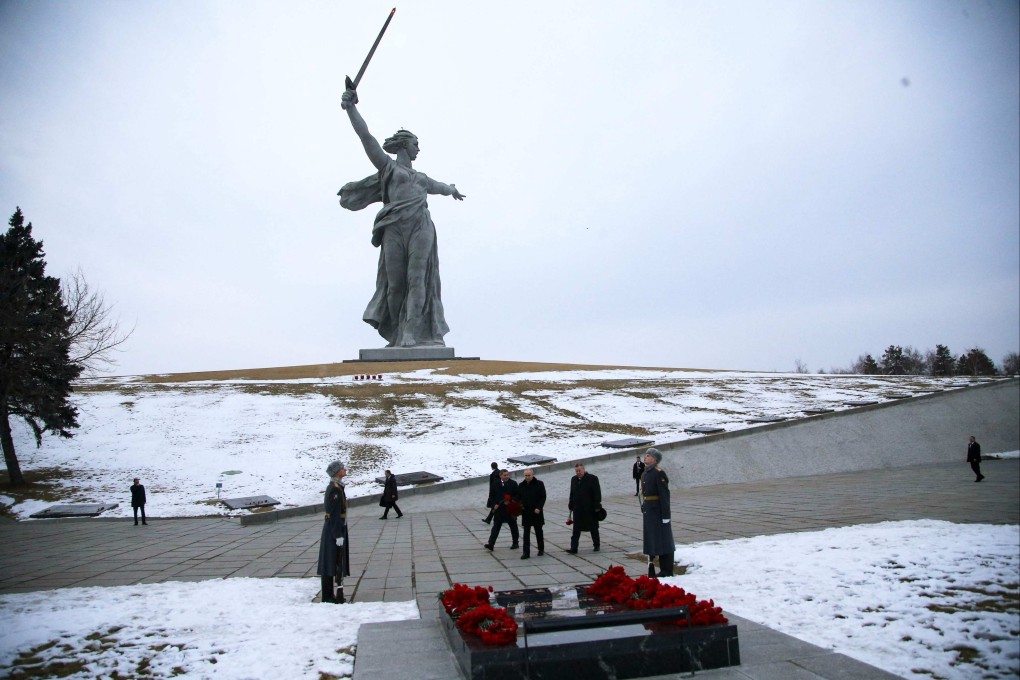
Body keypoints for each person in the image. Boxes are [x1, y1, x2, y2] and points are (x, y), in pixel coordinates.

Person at [339, 87, 465, 348]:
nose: (419, 148)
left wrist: (452, 189)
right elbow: (366, 137)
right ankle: (397, 332)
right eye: (416, 143)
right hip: (394, 228)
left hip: (420, 226)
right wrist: (352, 109)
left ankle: (411, 331)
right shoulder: (388, 168)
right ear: (405, 145)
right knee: (395, 285)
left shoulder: (421, 178)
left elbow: (440, 187)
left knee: (417, 279)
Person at [317, 461, 350, 603]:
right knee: (330, 562)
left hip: (336, 528)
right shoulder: (335, 489)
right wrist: (338, 535)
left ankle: (330, 595)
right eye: (342, 468)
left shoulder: (337, 487)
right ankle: (328, 596)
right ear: (337, 472)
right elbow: (334, 513)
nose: (345, 470)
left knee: (332, 561)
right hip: (333, 530)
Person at [640, 448, 676, 577]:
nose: (645, 457)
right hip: (650, 511)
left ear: (655, 459)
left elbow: (664, 495)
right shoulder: (646, 473)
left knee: (664, 539)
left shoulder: (658, 473)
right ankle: (656, 567)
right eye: (645, 455)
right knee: (654, 539)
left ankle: (667, 569)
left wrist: (666, 515)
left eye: (648, 456)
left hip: (658, 511)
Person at [567, 463, 602, 553]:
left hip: (590, 508)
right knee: (576, 530)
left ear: (584, 469)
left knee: (593, 528)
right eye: (576, 471)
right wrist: (571, 504)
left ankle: (596, 545)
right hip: (578, 509)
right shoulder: (574, 479)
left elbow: (597, 493)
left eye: (580, 470)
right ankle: (573, 548)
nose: (578, 472)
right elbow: (572, 493)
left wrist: (597, 505)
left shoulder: (592, 478)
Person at [484, 469, 519, 551]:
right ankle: (491, 544)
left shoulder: (513, 484)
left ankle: (515, 543)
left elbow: (517, 495)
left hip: (510, 509)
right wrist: (494, 504)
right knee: (496, 527)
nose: (507, 476)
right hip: (499, 510)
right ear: (500, 476)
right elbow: (491, 496)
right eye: (505, 475)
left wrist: (511, 500)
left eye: (507, 475)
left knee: (513, 526)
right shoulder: (495, 484)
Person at [518, 468, 546, 559]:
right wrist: (519, 505)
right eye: (525, 475)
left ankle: (541, 549)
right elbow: (519, 497)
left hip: (536, 512)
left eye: (529, 475)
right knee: (526, 533)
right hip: (526, 512)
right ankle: (526, 552)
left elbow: (543, 497)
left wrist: (539, 507)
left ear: (532, 475)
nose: (527, 477)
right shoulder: (521, 485)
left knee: (538, 531)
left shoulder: (539, 484)